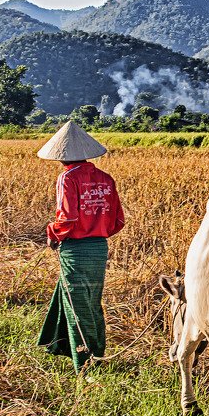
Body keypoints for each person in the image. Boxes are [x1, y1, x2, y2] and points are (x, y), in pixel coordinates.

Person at [36, 122, 125, 371]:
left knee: (78, 306)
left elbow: (68, 219)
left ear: (61, 155)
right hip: (98, 248)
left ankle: (85, 364)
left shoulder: (67, 178)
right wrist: (97, 231)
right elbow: (118, 221)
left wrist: (53, 234)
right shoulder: (106, 179)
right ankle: (89, 350)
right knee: (92, 302)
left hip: (75, 249)